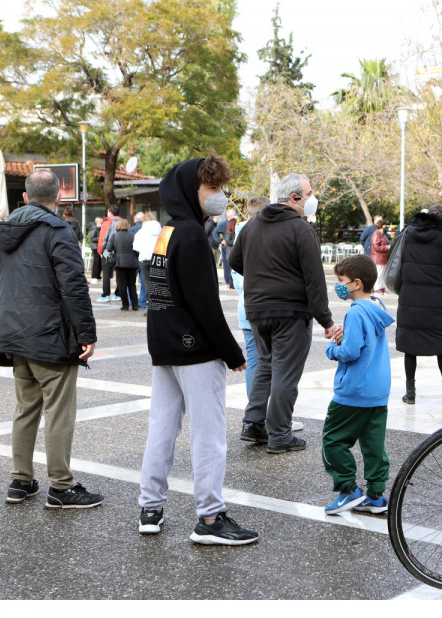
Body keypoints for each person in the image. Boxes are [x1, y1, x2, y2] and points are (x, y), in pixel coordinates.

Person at [137, 153, 258, 545]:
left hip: (165, 347)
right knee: (209, 435)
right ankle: (210, 518)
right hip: (195, 351)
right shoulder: (191, 235)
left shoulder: (167, 231)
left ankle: (150, 507)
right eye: (212, 188)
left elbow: (159, 295)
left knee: (162, 428)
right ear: (193, 190)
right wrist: (233, 352)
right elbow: (204, 304)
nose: (219, 196)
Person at [0, 169, 102, 509]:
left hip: (12, 332)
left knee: (26, 410)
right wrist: (87, 334)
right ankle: (61, 486)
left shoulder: (5, 231)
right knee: (58, 411)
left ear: (24, 198)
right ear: (58, 199)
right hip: (49, 333)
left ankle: (20, 481)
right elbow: (74, 286)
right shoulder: (58, 230)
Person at [229, 173, 336, 454]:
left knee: (265, 366)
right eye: (309, 193)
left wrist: (261, 277)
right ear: (294, 198)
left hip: (256, 309)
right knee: (285, 374)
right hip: (290, 311)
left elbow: (234, 260)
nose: (312, 199)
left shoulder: (252, 225)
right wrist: (325, 319)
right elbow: (315, 280)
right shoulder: (301, 230)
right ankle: (279, 434)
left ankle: (253, 424)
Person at [322, 254, 394, 515]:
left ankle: (348, 489)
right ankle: (376, 495)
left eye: (341, 281)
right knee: (373, 444)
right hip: (377, 391)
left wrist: (332, 347)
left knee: (333, 440)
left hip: (353, 391)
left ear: (356, 283)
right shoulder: (377, 307)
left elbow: (351, 352)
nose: (339, 286)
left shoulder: (355, 312)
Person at [396, 206, 442, 405]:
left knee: (410, 344)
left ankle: (410, 393)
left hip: (410, 298)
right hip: (436, 300)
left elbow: (394, 259)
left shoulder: (406, 234)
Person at [232, 196, 270, 396]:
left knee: (254, 362)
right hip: (264, 306)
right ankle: (271, 414)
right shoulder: (265, 233)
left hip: (245, 306)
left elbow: (236, 276)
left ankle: (254, 412)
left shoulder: (240, 234)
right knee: (271, 363)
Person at [106, 217, 140, 312]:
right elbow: (137, 250)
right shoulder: (133, 235)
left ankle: (125, 305)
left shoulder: (114, 235)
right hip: (132, 263)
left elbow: (108, 249)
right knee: (132, 284)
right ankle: (135, 304)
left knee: (122, 285)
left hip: (120, 263)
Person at [133, 212, 161, 312]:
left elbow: (136, 247)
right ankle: (159, 305)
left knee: (147, 282)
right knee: (158, 282)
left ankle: (150, 306)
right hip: (158, 258)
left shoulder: (141, 232)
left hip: (145, 258)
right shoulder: (159, 230)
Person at [97, 205, 121, 302]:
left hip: (108, 250)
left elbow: (103, 238)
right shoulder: (122, 221)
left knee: (106, 273)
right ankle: (118, 294)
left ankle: (106, 294)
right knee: (119, 273)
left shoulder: (107, 222)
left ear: (110, 212)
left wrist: (100, 251)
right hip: (120, 250)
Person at [215, 209, 235, 289]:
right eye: (234, 214)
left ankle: (231, 281)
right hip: (226, 247)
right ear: (229, 216)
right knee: (227, 265)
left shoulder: (234, 223)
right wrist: (220, 241)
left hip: (231, 247)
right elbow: (215, 232)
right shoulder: (224, 224)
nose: (235, 216)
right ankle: (228, 281)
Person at [369, 217, 390, 292]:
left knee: (382, 274)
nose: (385, 228)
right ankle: (377, 287)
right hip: (378, 259)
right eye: (384, 226)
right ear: (380, 226)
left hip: (383, 258)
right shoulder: (376, 234)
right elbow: (376, 247)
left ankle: (381, 286)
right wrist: (387, 247)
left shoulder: (382, 234)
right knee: (379, 273)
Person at [90, 216, 103, 282]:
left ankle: (98, 274)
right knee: (96, 261)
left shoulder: (99, 229)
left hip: (99, 246)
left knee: (99, 261)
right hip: (95, 247)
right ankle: (94, 274)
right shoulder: (94, 229)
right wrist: (100, 238)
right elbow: (92, 238)